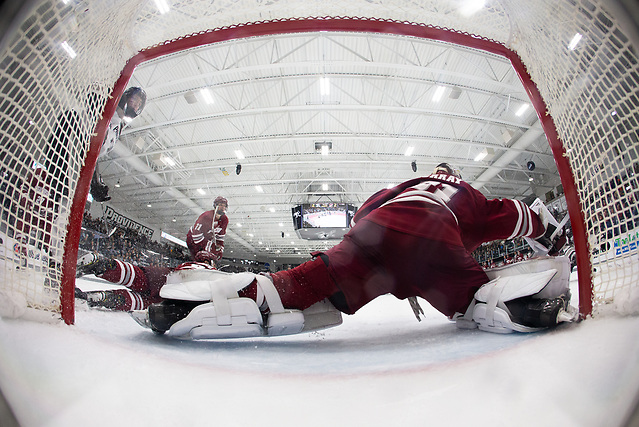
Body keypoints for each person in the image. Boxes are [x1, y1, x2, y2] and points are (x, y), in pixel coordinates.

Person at [81, 164, 572, 335]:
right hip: (437, 241)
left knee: (284, 289)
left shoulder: (403, 186)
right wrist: (551, 236)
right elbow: (522, 217)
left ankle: (163, 291)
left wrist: (373, 258)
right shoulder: (470, 197)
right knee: (475, 303)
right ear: (455, 179)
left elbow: (362, 216)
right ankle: (528, 307)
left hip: (374, 234)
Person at [90, 87, 147, 202]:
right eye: (135, 99)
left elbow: (93, 155)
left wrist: (95, 181)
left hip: (80, 160)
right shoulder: (106, 104)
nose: (136, 105)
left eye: (139, 103)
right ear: (127, 96)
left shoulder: (118, 127)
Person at [186, 196, 228, 265]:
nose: (223, 207)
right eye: (220, 205)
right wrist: (211, 246)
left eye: (224, 205)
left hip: (206, 241)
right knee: (201, 260)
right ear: (215, 206)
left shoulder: (225, 220)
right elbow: (196, 237)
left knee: (210, 260)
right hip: (193, 241)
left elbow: (220, 237)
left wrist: (220, 249)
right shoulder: (205, 216)